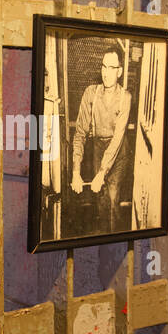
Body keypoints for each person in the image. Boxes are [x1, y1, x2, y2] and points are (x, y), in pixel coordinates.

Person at [70, 47, 132, 234]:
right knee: (101, 199)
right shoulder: (91, 93)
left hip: (119, 151)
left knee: (112, 195)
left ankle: (115, 239)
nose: (106, 73)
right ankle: (104, 236)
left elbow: (117, 141)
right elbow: (80, 133)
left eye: (111, 68)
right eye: (103, 67)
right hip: (98, 146)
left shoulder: (125, 98)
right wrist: (75, 171)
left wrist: (101, 173)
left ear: (119, 72)